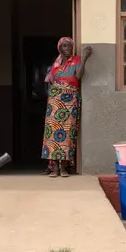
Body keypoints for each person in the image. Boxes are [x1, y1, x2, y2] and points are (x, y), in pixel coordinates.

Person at [42, 38, 91, 177]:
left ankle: (64, 168)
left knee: (67, 134)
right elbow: (50, 82)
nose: (67, 48)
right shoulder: (55, 64)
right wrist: (51, 98)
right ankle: (55, 168)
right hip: (54, 100)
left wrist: (85, 58)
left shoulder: (76, 61)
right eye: (64, 46)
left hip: (70, 100)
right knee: (52, 134)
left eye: (69, 45)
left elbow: (79, 76)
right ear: (60, 48)